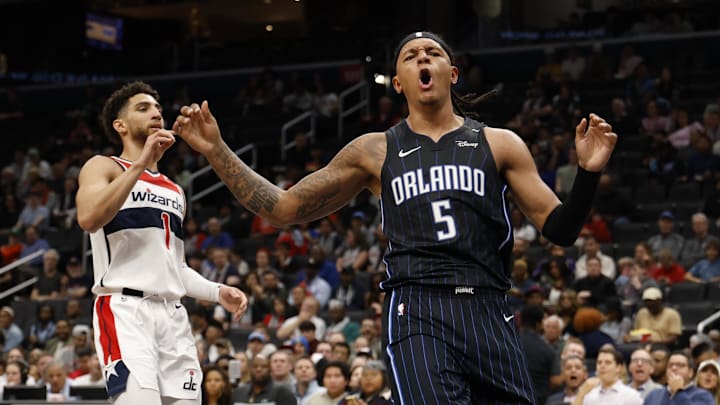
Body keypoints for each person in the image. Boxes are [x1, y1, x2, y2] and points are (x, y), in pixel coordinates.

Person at [174, 31, 617, 404]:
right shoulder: (374, 150)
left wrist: (588, 175)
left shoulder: (499, 143)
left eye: (434, 53)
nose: (423, 58)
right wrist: (217, 150)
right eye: (411, 56)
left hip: (488, 305)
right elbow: (285, 208)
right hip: (417, 305)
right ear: (400, 82)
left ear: (452, 74)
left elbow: (560, 230)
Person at [75, 81, 248, 404]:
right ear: (120, 125)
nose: (156, 113)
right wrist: (141, 163)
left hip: (173, 316)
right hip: (125, 309)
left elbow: (173, 267)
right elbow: (88, 218)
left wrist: (216, 291)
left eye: (157, 108)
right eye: (143, 108)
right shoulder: (104, 166)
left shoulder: (173, 189)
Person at [643, 352, 715, 404]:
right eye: (670, 365)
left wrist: (678, 392)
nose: (674, 368)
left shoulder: (703, 395)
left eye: (680, 365)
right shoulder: (654, 394)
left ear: (690, 372)